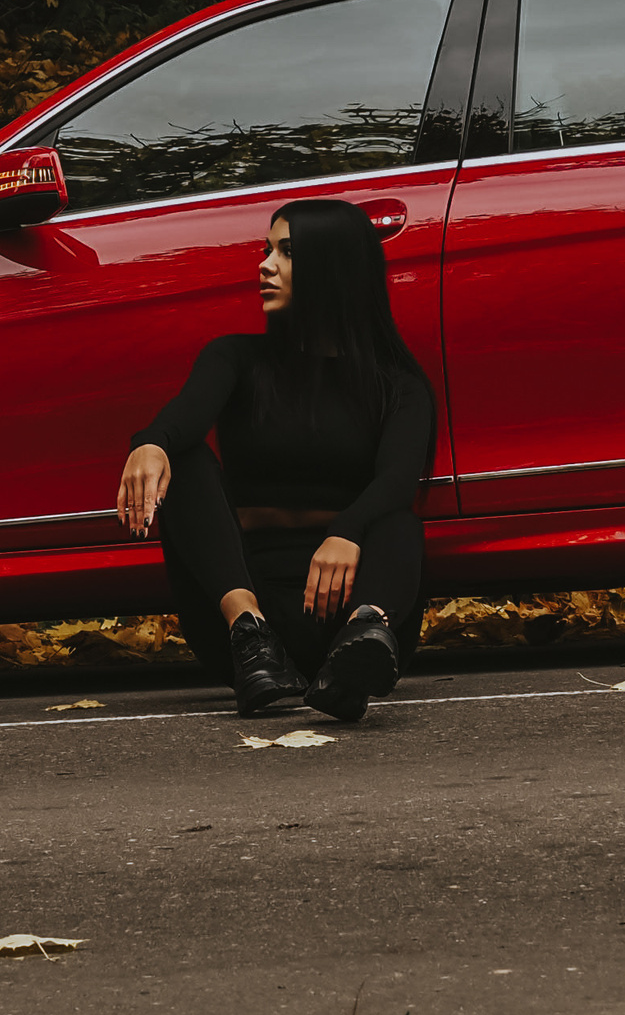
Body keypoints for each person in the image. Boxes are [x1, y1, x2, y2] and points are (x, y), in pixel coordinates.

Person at [115, 198, 435, 721]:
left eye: (285, 252)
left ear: (332, 265)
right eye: (267, 250)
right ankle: (253, 636)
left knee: (399, 521)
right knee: (185, 458)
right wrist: (149, 443)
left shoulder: (398, 386)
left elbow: (399, 480)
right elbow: (183, 420)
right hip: (244, 610)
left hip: (346, 603)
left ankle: (361, 646)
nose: (264, 265)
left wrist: (347, 531)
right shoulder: (235, 359)